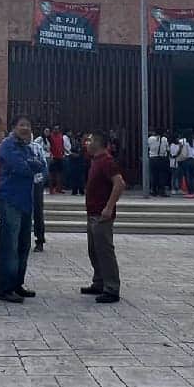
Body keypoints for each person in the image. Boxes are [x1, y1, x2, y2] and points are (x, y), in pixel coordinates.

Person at [0, 115, 45, 303]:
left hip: (26, 201)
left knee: (23, 245)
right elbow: (22, 168)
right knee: (10, 246)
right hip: (11, 200)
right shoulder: (8, 146)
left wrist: (32, 165)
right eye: (22, 125)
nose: (25, 128)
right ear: (14, 127)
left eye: (28, 125)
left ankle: (17, 284)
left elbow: (41, 167)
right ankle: (5, 288)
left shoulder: (27, 147)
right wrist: (32, 166)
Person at [80, 130, 125, 303]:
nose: (86, 143)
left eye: (89, 140)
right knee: (94, 250)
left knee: (105, 251)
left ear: (97, 142)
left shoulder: (106, 161)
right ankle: (99, 282)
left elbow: (119, 183)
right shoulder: (95, 161)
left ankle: (111, 288)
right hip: (92, 213)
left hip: (101, 215)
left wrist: (109, 207)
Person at [30, 127, 50, 252]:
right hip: (21, 183)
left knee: (37, 211)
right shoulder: (14, 147)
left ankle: (40, 240)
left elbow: (44, 165)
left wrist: (41, 180)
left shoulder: (36, 147)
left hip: (35, 183)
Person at [147, 128, 170, 197]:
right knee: (162, 175)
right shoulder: (165, 139)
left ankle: (154, 190)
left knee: (153, 175)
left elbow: (148, 146)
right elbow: (167, 149)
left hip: (153, 158)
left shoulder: (150, 138)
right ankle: (162, 191)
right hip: (162, 158)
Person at [48, 124, 69, 194]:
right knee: (52, 174)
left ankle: (59, 189)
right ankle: (51, 189)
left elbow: (62, 145)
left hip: (60, 157)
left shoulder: (60, 136)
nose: (56, 130)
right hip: (53, 157)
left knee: (59, 174)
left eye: (57, 129)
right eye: (55, 129)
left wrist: (63, 153)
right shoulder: (50, 136)